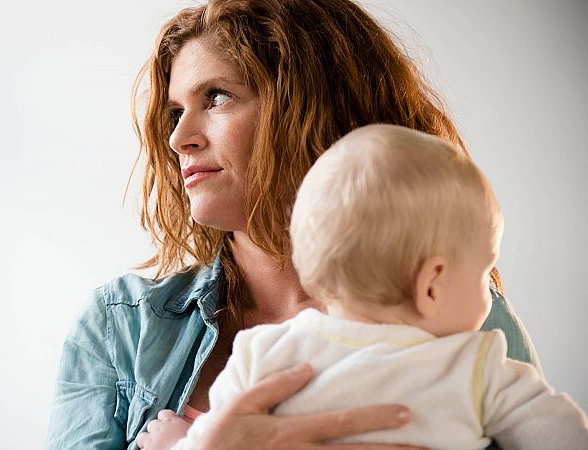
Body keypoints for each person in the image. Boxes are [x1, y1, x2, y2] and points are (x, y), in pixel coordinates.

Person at [47, 1, 540, 448]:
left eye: (216, 97)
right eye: (176, 111)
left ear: (313, 106)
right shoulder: (119, 327)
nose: (179, 138)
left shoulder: (469, 317)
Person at [146, 124, 588, 450]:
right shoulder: (475, 365)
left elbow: (219, 438)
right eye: (482, 271)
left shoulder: (261, 353)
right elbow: (565, 437)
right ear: (431, 284)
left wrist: (178, 443)